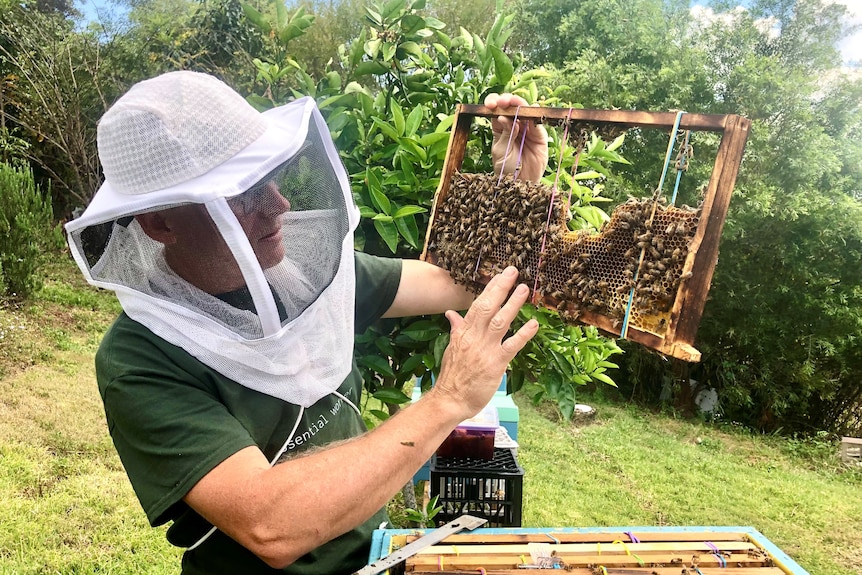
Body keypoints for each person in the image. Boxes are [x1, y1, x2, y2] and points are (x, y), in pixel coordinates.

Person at [65, 71, 549, 574]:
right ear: (161, 223)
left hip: (373, 556)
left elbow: (464, 283)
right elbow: (270, 523)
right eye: (241, 196)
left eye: (269, 177)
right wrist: (448, 399)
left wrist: (513, 188)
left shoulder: (300, 270)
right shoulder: (140, 358)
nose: (279, 204)